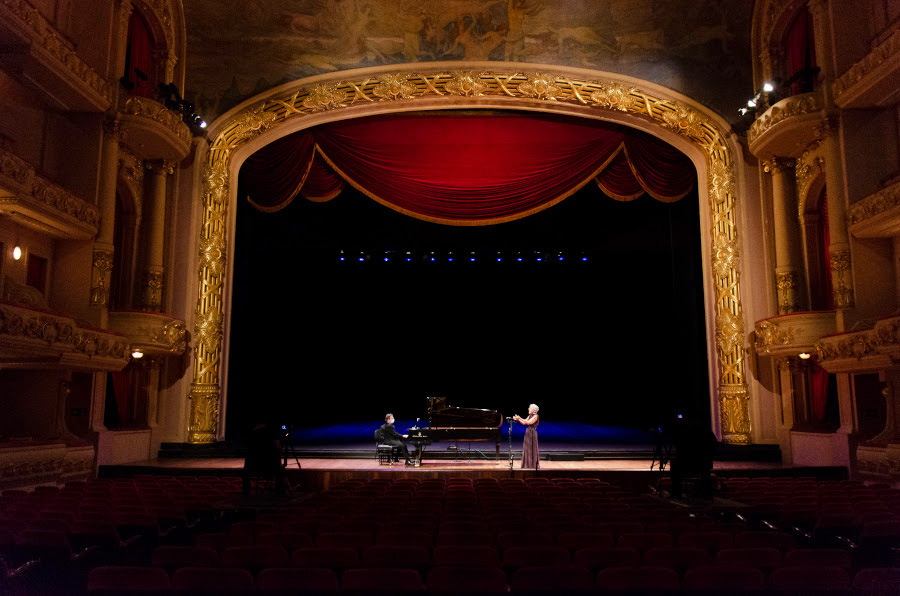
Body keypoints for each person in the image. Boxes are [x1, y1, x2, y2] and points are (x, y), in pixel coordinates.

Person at [513, 404, 540, 469]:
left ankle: (532, 465)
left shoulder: (536, 416)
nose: (528, 409)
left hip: (532, 433)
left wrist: (519, 418)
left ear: (533, 410)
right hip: (528, 432)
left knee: (531, 448)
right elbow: (524, 422)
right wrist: (518, 419)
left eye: (529, 408)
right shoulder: (530, 415)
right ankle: (526, 465)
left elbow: (528, 422)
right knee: (527, 448)